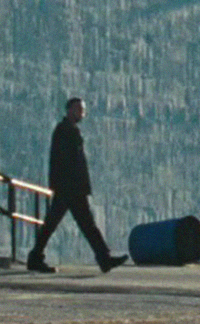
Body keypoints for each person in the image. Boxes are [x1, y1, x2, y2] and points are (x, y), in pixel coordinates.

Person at [26, 97, 128, 274]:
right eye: (79, 109)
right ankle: (104, 258)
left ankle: (103, 258)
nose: (82, 113)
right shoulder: (65, 130)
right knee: (82, 224)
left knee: (66, 224)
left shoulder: (68, 130)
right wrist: (71, 185)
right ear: (69, 110)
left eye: (83, 110)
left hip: (70, 188)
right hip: (70, 188)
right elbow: (65, 162)